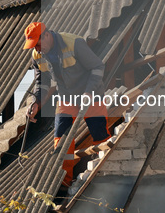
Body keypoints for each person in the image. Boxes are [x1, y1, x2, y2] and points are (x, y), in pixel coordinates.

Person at [23, 22, 111, 188]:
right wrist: (36, 102)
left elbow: (98, 66)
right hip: (66, 97)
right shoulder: (37, 54)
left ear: (47, 35)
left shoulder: (74, 43)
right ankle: (63, 184)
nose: (37, 49)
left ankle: (106, 177)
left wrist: (88, 92)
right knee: (61, 142)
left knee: (100, 135)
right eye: (34, 46)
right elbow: (42, 82)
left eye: (38, 44)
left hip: (91, 94)